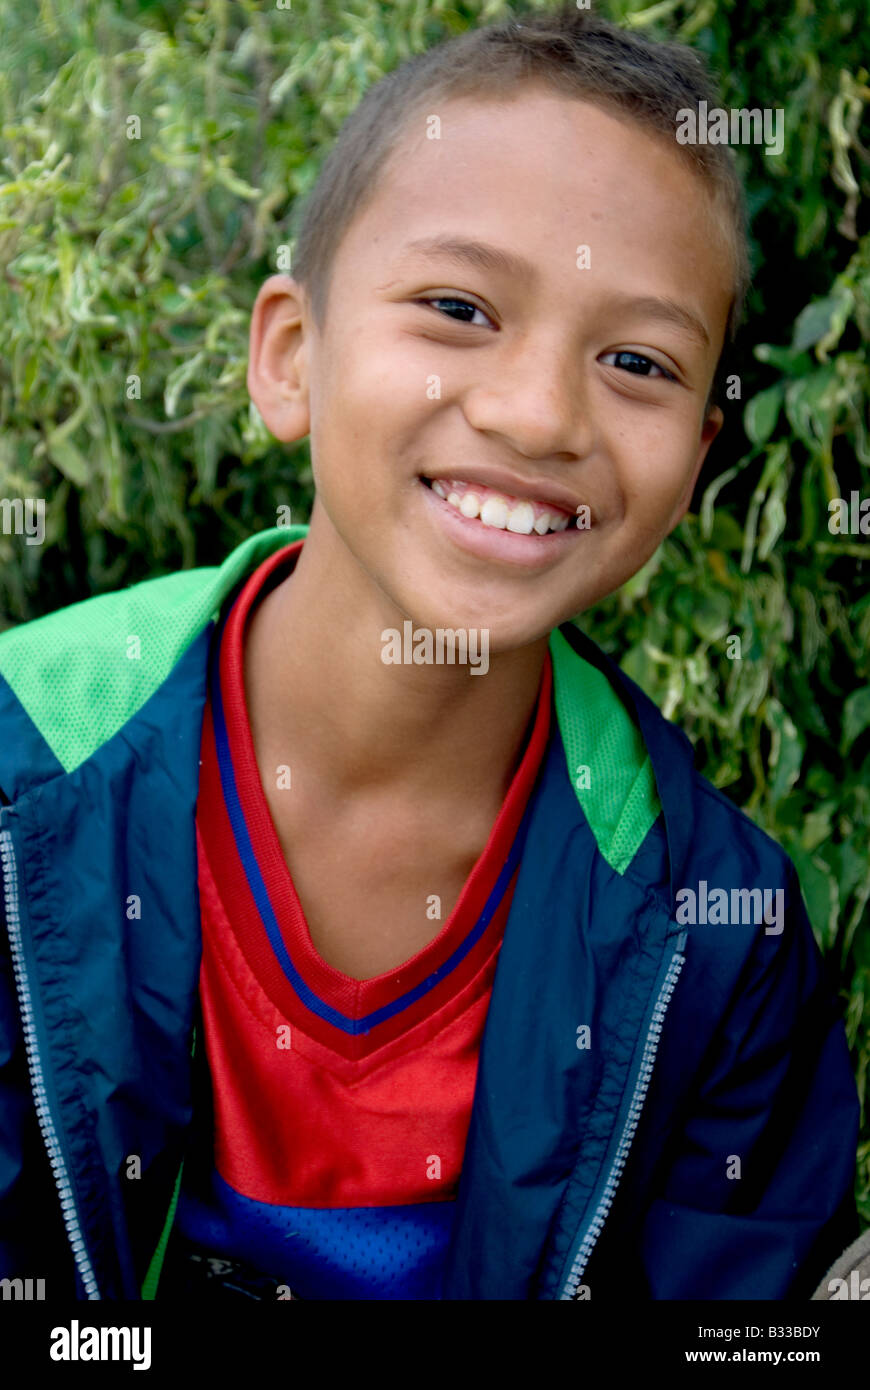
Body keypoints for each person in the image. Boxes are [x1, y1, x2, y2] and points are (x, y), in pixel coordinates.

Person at [0, 5, 859, 1301]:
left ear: (689, 465)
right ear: (291, 357)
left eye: (635, 359)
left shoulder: (716, 937)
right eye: (458, 307)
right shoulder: (25, 777)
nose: (534, 412)